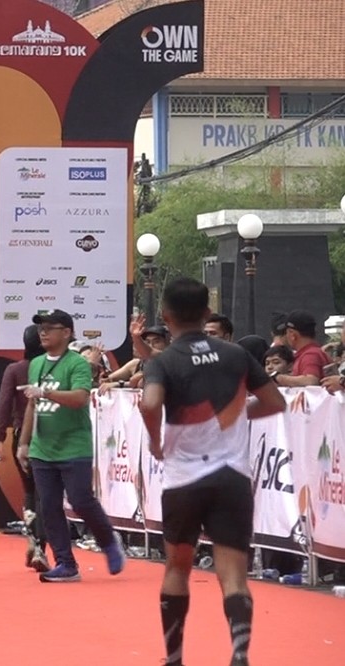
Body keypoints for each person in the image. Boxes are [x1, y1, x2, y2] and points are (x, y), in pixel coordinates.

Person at [139, 278, 286, 666]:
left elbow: (149, 403)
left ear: (165, 316)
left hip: (184, 479)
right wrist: (233, 416)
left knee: (177, 567)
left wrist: (156, 440)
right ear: (207, 313)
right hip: (232, 477)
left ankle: (174, 657)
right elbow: (274, 402)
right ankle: (239, 653)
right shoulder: (236, 355)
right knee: (233, 574)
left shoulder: (163, 361)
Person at [16, 309, 126, 582]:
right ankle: (65, 563)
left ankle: (109, 542)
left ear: (66, 332)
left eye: (50, 328)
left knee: (80, 500)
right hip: (43, 448)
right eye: (41, 327)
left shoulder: (76, 363)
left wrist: (46, 392)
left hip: (73, 445)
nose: (43, 332)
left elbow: (79, 397)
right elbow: (32, 404)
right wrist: (23, 442)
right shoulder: (37, 363)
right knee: (49, 506)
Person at [0, 325, 50, 572]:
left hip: (22, 435)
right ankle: (40, 546)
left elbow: (4, 403)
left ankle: (33, 541)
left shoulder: (15, 369)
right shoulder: (55, 367)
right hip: (53, 435)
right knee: (46, 494)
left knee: (30, 491)